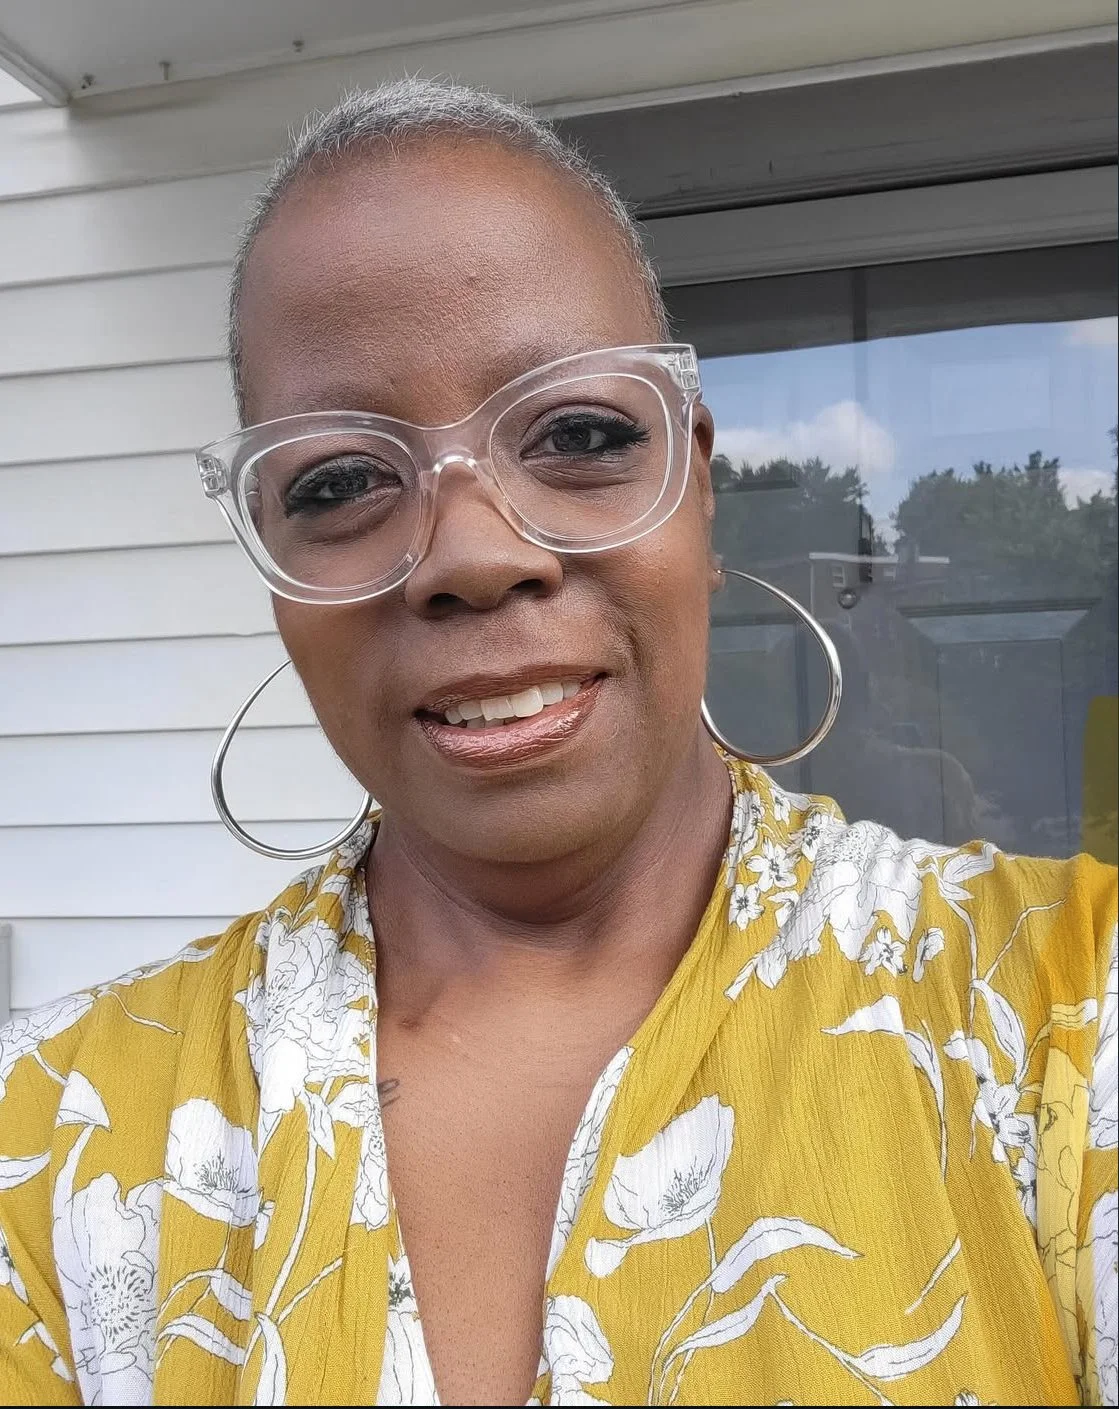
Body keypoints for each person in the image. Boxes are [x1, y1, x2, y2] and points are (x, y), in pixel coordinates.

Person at [0, 80, 1115, 1409]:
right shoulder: (54, 1140)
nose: (475, 555)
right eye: (341, 482)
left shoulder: (1063, 1018)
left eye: (579, 436)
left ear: (695, 479)